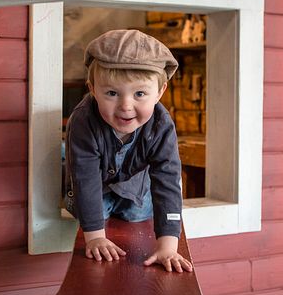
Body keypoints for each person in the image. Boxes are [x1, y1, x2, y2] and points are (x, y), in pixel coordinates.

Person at [63, 29, 193, 273]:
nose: (125, 106)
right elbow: (85, 178)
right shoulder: (84, 121)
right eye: (111, 93)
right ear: (92, 89)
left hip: (135, 187)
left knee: (138, 215)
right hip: (94, 186)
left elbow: (168, 179)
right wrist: (95, 237)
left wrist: (168, 245)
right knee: (88, 212)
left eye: (140, 94)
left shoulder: (162, 124)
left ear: (160, 92)